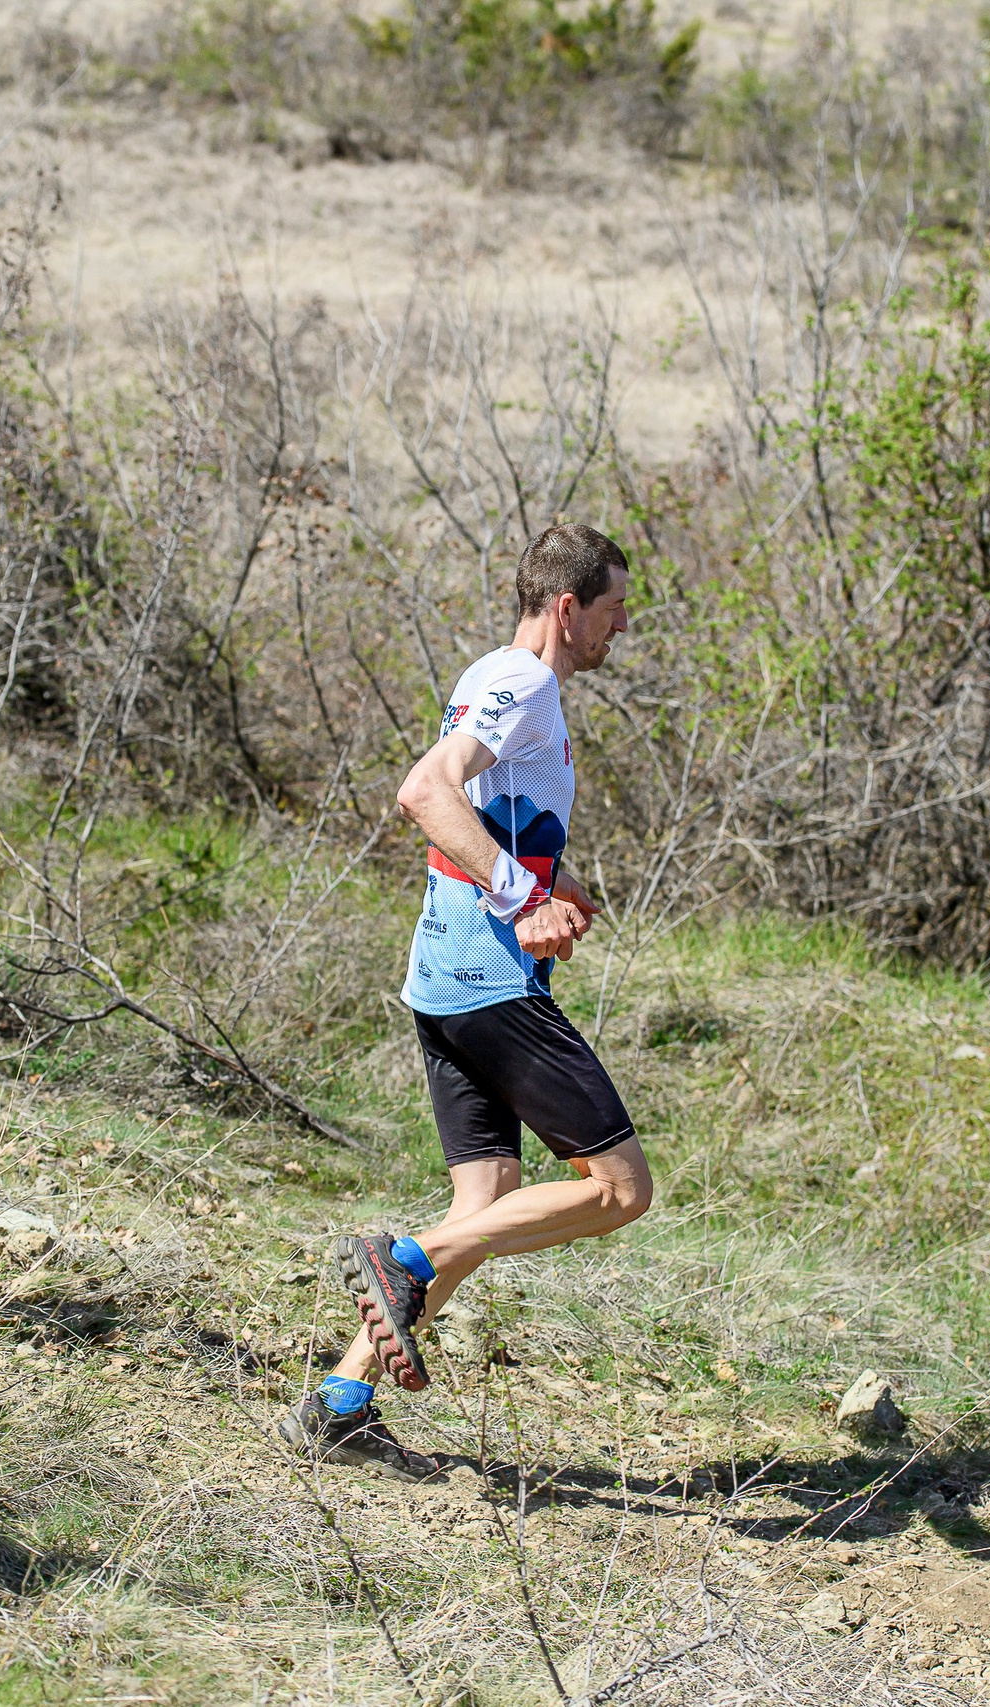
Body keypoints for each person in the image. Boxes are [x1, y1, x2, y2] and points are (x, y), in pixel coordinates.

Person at [275, 523, 653, 1480]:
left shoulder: (494, 674)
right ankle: (401, 1256)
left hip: (443, 979)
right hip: (488, 983)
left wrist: (547, 891)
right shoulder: (526, 682)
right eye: (613, 609)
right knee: (619, 1190)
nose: (621, 627)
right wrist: (525, 899)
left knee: (488, 1202)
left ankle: (338, 1402)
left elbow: (477, 820)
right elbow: (424, 791)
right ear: (568, 608)